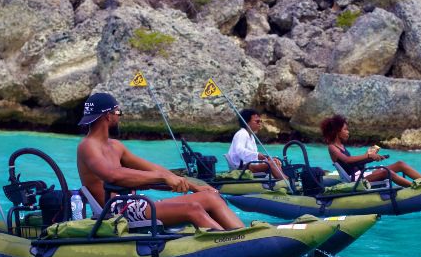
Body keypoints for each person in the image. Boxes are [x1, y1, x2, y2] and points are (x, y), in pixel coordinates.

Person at [76, 92, 244, 230]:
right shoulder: (88, 146)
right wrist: (162, 178)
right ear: (108, 116)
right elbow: (113, 175)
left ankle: (244, 236)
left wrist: (195, 187)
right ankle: (230, 244)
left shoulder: (116, 146)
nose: (119, 117)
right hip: (117, 211)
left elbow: (153, 168)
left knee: (210, 197)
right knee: (193, 209)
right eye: (118, 112)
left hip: (137, 204)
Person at [320, 114, 421, 187]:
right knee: (389, 173)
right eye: (345, 129)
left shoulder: (341, 146)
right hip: (355, 180)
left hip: (362, 174)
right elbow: (347, 160)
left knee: (400, 164)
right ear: (337, 132)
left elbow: (354, 163)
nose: (348, 132)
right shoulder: (332, 147)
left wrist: (372, 158)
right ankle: (415, 188)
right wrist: (368, 156)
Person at [226, 109, 285, 180]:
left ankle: (282, 179)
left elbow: (254, 156)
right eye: (257, 121)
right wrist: (257, 155)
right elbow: (240, 151)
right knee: (271, 164)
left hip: (250, 165)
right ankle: (286, 181)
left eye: (260, 121)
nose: (259, 123)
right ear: (247, 123)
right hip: (242, 167)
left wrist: (266, 158)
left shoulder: (251, 136)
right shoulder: (241, 134)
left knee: (274, 161)